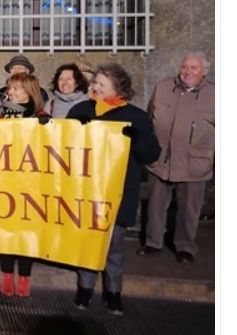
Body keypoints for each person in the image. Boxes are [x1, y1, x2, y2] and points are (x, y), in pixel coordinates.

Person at [67, 63, 161, 315]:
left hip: (117, 192)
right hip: (85, 191)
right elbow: (62, 146)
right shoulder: (81, 109)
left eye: (101, 84)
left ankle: (113, 293)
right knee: (87, 242)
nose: (95, 87)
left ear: (118, 88)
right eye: (95, 82)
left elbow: (152, 153)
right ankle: (84, 290)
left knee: (115, 245)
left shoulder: (137, 116)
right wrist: (75, 129)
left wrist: (136, 138)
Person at [137, 52, 214, 265]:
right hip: (161, 160)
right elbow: (149, 115)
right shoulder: (162, 87)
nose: (187, 71)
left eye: (193, 68)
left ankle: (185, 247)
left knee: (189, 209)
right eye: (184, 67)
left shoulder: (215, 95)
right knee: (155, 205)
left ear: (204, 72)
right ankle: (153, 243)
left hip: (194, 164)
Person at [0, 73, 50, 298]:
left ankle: (24, 276)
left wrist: (48, 128)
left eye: (15, 89)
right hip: (3, 180)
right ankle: (6, 274)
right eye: (9, 89)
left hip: (30, 183)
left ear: (28, 93)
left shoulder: (40, 115)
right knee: (6, 228)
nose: (9, 92)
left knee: (26, 230)